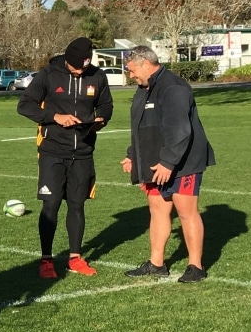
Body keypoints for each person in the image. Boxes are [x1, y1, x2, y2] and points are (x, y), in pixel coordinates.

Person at [17, 36, 114, 278]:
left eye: (84, 67)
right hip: (52, 151)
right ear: (68, 60)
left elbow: (106, 106)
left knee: (77, 205)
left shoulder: (97, 76)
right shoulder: (48, 75)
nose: (80, 72)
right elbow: (24, 105)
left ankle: (75, 258)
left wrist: (100, 120)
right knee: (50, 205)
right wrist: (54, 117)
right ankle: (46, 260)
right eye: (76, 67)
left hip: (83, 152)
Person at [120, 44, 216, 282]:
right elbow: (142, 127)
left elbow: (180, 129)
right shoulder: (144, 89)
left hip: (183, 162)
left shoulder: (173, 87)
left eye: (132, 70)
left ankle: (196, 267)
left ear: (145, 64)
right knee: (157, 209)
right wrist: (133, 154)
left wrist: (168, 162)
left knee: (186, 211)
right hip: (156, 162)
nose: (131, 76)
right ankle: (156, 264)